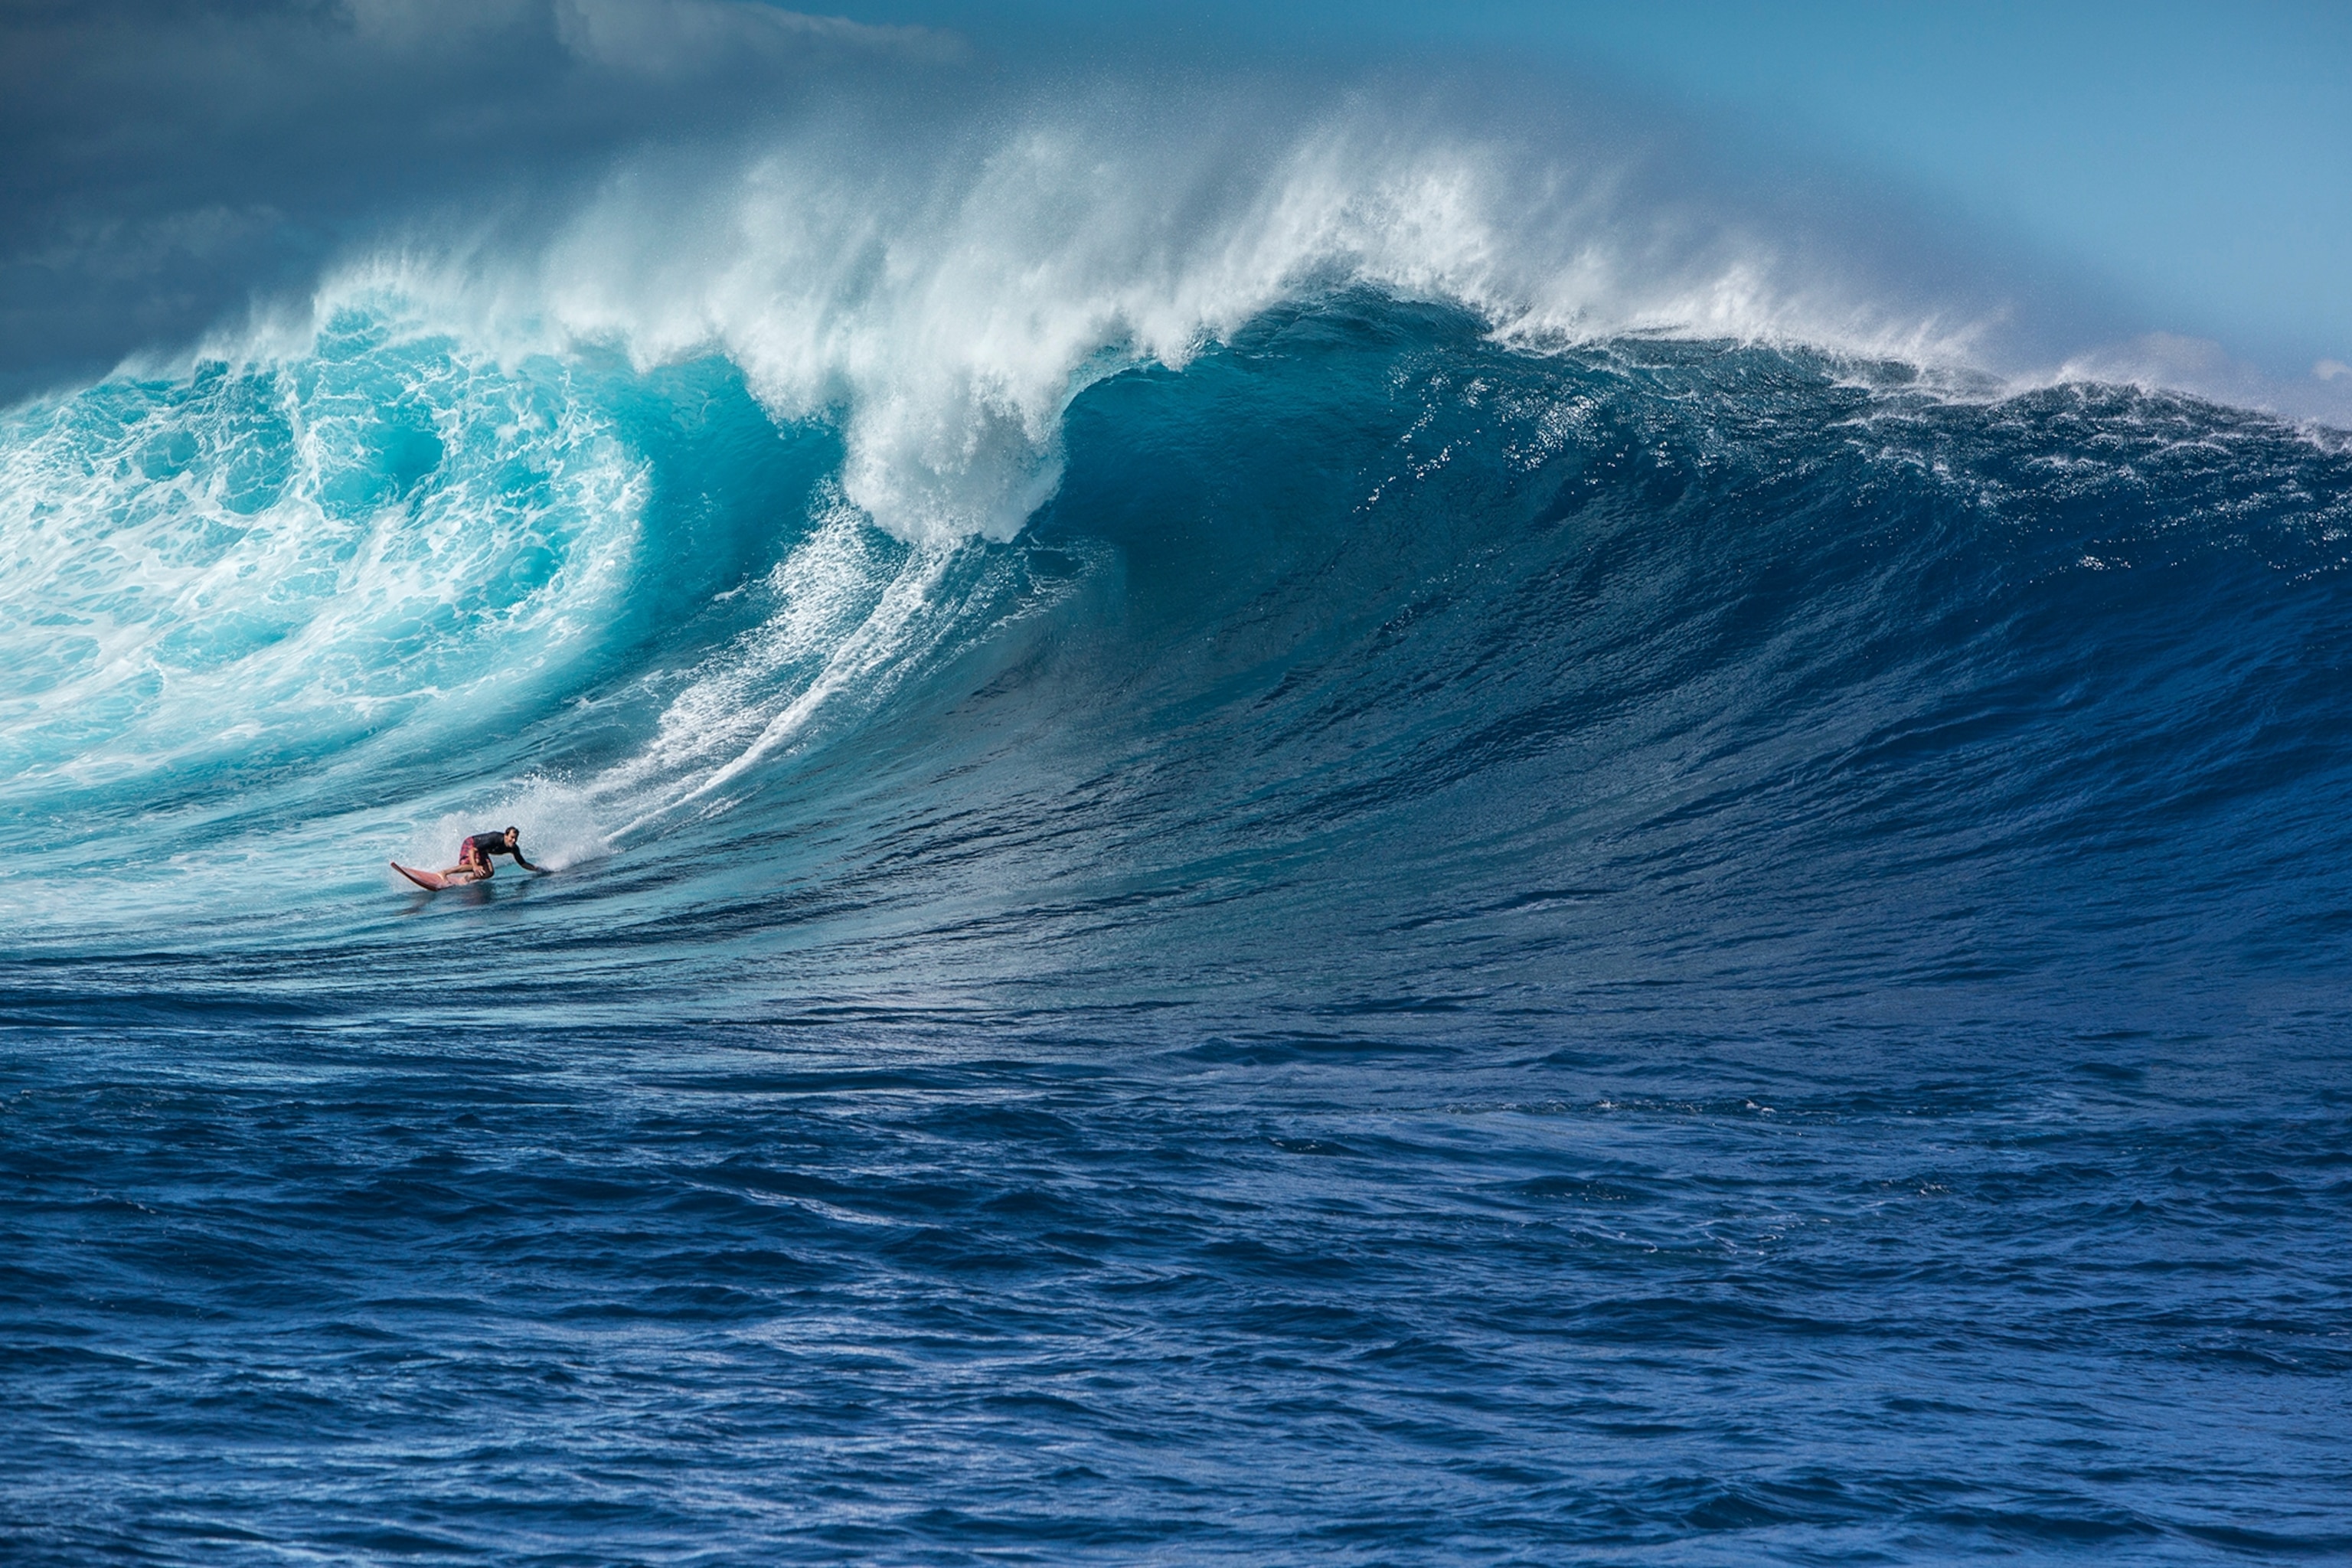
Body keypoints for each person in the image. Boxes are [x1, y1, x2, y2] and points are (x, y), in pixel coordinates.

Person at [439, 825, 542, 882]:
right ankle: (444, 872)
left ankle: (467, 878)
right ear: (506, 836)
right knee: (477, 863)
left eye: (516, 838)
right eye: (512, 837)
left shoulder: (514, 848)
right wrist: (475, 866)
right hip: (472, 843)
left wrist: (537, 869)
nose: (514, 840)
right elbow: (473, 850)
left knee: (490, 872)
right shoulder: (495, 839)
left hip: (482, 850)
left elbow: (523, 864)